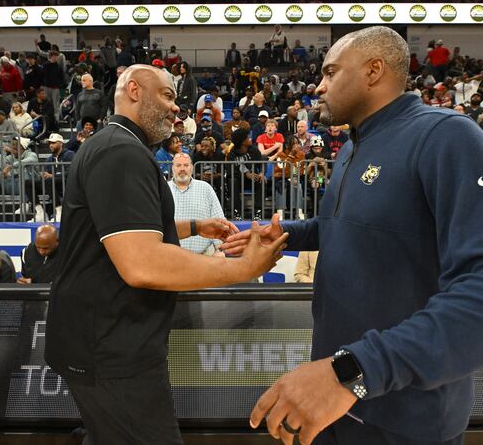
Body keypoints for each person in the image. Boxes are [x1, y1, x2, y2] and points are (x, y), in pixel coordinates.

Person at [222, 26, 483, 445]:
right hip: (335, 402)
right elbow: (350, 227)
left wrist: (354, 370)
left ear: (373, 71)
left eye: (331, 72)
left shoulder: (446, 137)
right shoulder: (353, 145)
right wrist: (287, 235)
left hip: (404, 417)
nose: (319, 85)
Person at [44, 64, 287, 445]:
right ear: (135, 91)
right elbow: (142, 263)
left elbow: (118, 232)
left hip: (101, 342)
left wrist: (194, 227)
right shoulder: (121, 152)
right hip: (112, 348)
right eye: (168, 96)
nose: (177, 109)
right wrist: (243, 267)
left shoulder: (112, 145)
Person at [170, 152, 225, 254]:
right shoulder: (163, 190)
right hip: (171, 257)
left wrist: (219, 250)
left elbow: (218, 221)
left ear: (191, 168)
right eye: (178, 165)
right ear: (173, 168)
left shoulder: (205, 188)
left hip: (203, 256)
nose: (182, 169)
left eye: (186, 165)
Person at [25, 133, 75, 222]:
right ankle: (40, 213)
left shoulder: (70, 155)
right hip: (51, 184)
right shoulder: (49, 159)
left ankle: (59, 211)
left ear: (61, 143)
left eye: (53, 143)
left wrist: (53, 175)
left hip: (66, 183)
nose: (51, 145)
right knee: (29, 182)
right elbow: (48, 174)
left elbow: (71, 172)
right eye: (50, 143)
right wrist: (43, 175)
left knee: (49, 180)